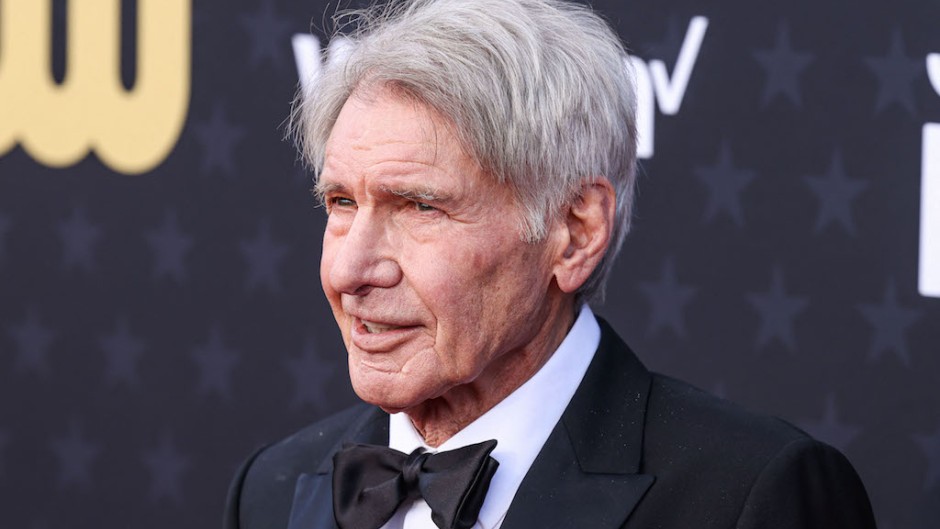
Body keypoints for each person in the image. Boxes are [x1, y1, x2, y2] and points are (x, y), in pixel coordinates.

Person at [225, 0, 877, 527]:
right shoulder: (271, 489)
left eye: (420, 206)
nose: (349, 270)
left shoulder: (749, 496)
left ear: (574, 232)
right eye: (341, 202)